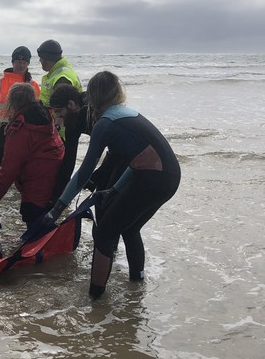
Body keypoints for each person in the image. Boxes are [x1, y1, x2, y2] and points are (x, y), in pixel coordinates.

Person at [42, 71, 181, 298]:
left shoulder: (104, 123)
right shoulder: (126, 113)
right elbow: (139, 161)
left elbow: (85, 171)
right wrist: (114, 190)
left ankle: (95, 299)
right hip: (170, 177)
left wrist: (57, 207)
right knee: (129, 227)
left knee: (105, 233)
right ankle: (137, 284)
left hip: (152, 179)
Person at [0, 82, 64, 228]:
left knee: (35, 234)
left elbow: (9, 167)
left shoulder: (21, 128)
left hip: (37, 189)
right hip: (56, 183)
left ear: (13, 103)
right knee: (46, 229)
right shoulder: (45, 117)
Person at [0, 46, 41, 178]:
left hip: (23, 132)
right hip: (0, 132)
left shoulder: (33, 85)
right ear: (12, 62)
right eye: (18, 62)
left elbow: (38, 113)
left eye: (24, 62)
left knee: (21, 169)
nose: (21, 65)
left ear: (28, 64)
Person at [36, 39, 82, 105]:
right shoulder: (63, 70)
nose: (40, 60)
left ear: (47, 59)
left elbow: (61, 109)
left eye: (41, 58)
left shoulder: (62, 79)